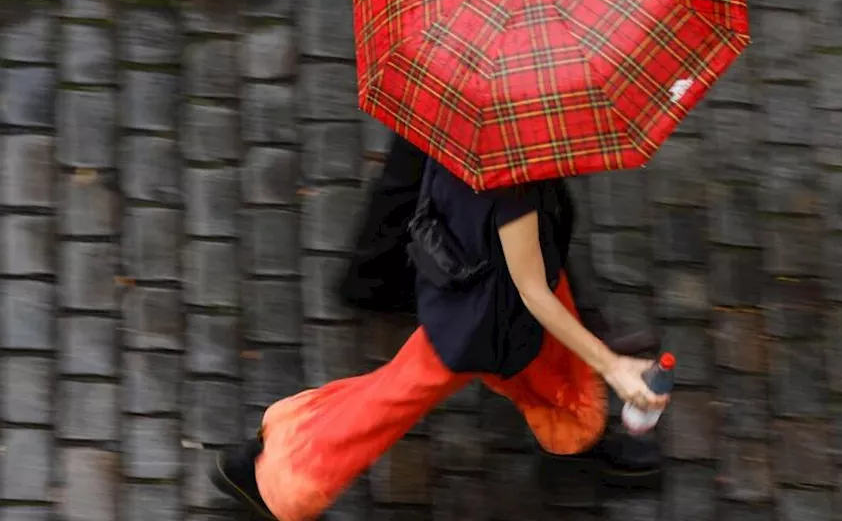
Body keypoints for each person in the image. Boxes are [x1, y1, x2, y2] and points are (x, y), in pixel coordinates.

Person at [210, 145, 669, 520]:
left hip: (466, 274)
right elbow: (532, 293)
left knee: (548, 365)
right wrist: (613, 367)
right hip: (488, 314)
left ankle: (572, 428)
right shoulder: (514, 178)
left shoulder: (457, 122)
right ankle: (278, 477)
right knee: (398, 394)